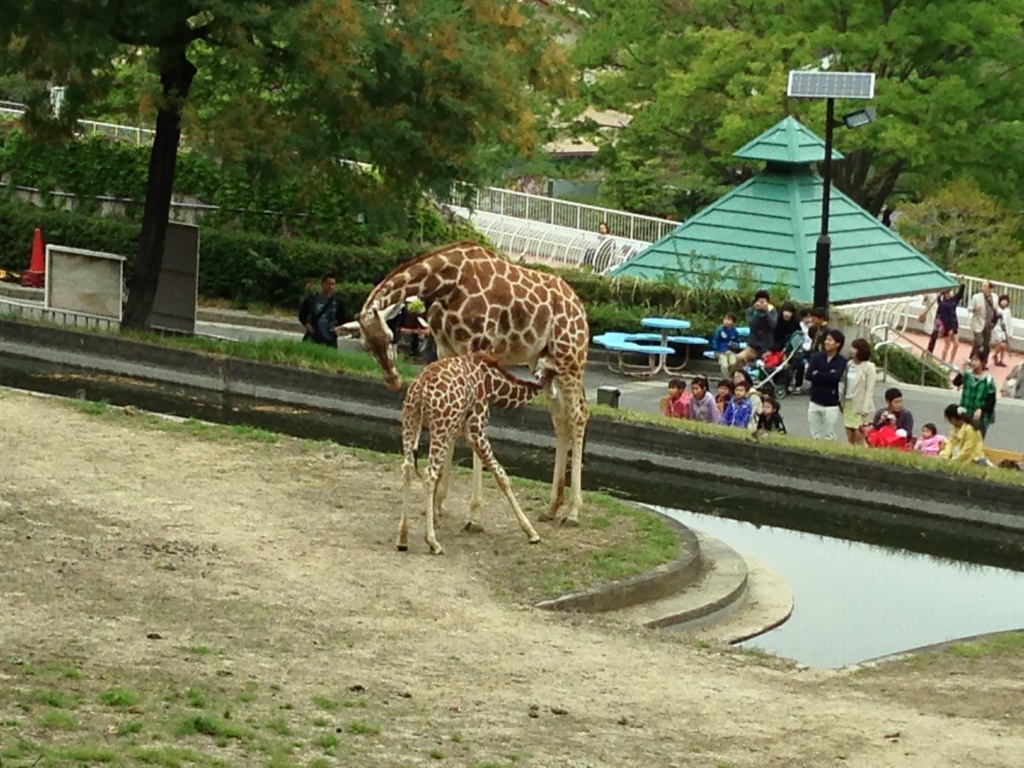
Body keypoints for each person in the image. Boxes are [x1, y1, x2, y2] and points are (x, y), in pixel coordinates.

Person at [805, 329, 847, 441]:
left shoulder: (841, 361)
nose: (826, 342)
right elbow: (808, 375)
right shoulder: (817, 357)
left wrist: (818, 373)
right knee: (814, 434)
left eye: (830, 340)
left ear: (838, 344)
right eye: (826, 339)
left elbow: (835, 378)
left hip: (831, 403)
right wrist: (827, 374)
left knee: (829, 435)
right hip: (815, 400)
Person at [952, 350, 997, 438]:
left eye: (976, 360)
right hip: (965, 413)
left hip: (980, 417)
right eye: (972, 360)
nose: (973, 362)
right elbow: (956, 383)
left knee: (976, 440)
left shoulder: (988, 380)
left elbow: (991, 401)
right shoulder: (967, 375)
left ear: (983, 363)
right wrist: (961, 371)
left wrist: (981, 409)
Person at [841, 338, 877, 445]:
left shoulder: (869, 367)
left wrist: (865, 408)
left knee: (859, 432)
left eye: (855, 348)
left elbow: (870, 388)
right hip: (848, 401)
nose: (852, 350)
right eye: (852, 347)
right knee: (849, 430)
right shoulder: (849, 364)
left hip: (860, 404)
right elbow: (844, 382)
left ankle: (861, 452)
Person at [733, 290, 777, 372]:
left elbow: (772, 325)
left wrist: (765, 312)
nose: (761, 303)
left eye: (764, 301)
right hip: (752, 348)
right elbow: (752, 324)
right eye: (759, 301)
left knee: (768, 366)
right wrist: (757, 312)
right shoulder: (751, 311)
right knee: (738, 358)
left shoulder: (772, 311)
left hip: (767, 349)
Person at [298, 272, 345, 347]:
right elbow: (302, 316)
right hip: (312, 337)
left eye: (333, 284)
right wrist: (310, 328)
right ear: (322, 284)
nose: (330, 286)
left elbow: (342, 320)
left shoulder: (338, 302)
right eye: (328, 283)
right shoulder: (311, 299)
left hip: (330, 339)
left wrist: (336, 330)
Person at [934, 282, 966, 365]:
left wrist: (962, 285)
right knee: (947, 345)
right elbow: (944, 318)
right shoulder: (943, 304)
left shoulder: (952, 300)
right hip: (947, 327)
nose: (952, 293)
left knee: (956, 344)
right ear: (946, 294)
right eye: (950, 291)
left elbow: (959, 295)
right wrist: (949, 328)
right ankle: (942, 361)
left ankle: (951, 361)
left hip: (954, 325)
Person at [968, 280, 1000, 359]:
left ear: (990, 289)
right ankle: (972, 359)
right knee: (978, 343)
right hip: (978, 322)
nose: (983, 288)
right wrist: (974, 309)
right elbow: (969, 308)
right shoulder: (976, 297)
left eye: (985, 286)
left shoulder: (995, 297)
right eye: (983, 286)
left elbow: (996, 308)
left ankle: (983, 361)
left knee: (986, 344)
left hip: (988, 324)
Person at [711, 312, 741, 378]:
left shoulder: (735, 332)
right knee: (725, 366)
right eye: (725, 319)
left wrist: (735, 346)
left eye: (729, 319)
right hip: (721, 351)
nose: (726, 321)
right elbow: (715, 341)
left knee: (733, 364)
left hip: (731, 351)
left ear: (733, 322)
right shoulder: (719, 330)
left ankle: (732, 377)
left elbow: (737, 342)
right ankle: (726, 379)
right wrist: (716, 351)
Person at [992, 294, 1013, 367]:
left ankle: (1001, 360)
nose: (1004, 302)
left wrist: (1010, 332)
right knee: (1001, 345)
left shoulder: (1008, 311)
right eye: (1003, 300)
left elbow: (1009, 322)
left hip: (1005, 330)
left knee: (1003, 347)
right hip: (997, 329)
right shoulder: (997, 309)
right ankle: (994, 354)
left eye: (1006, 301)